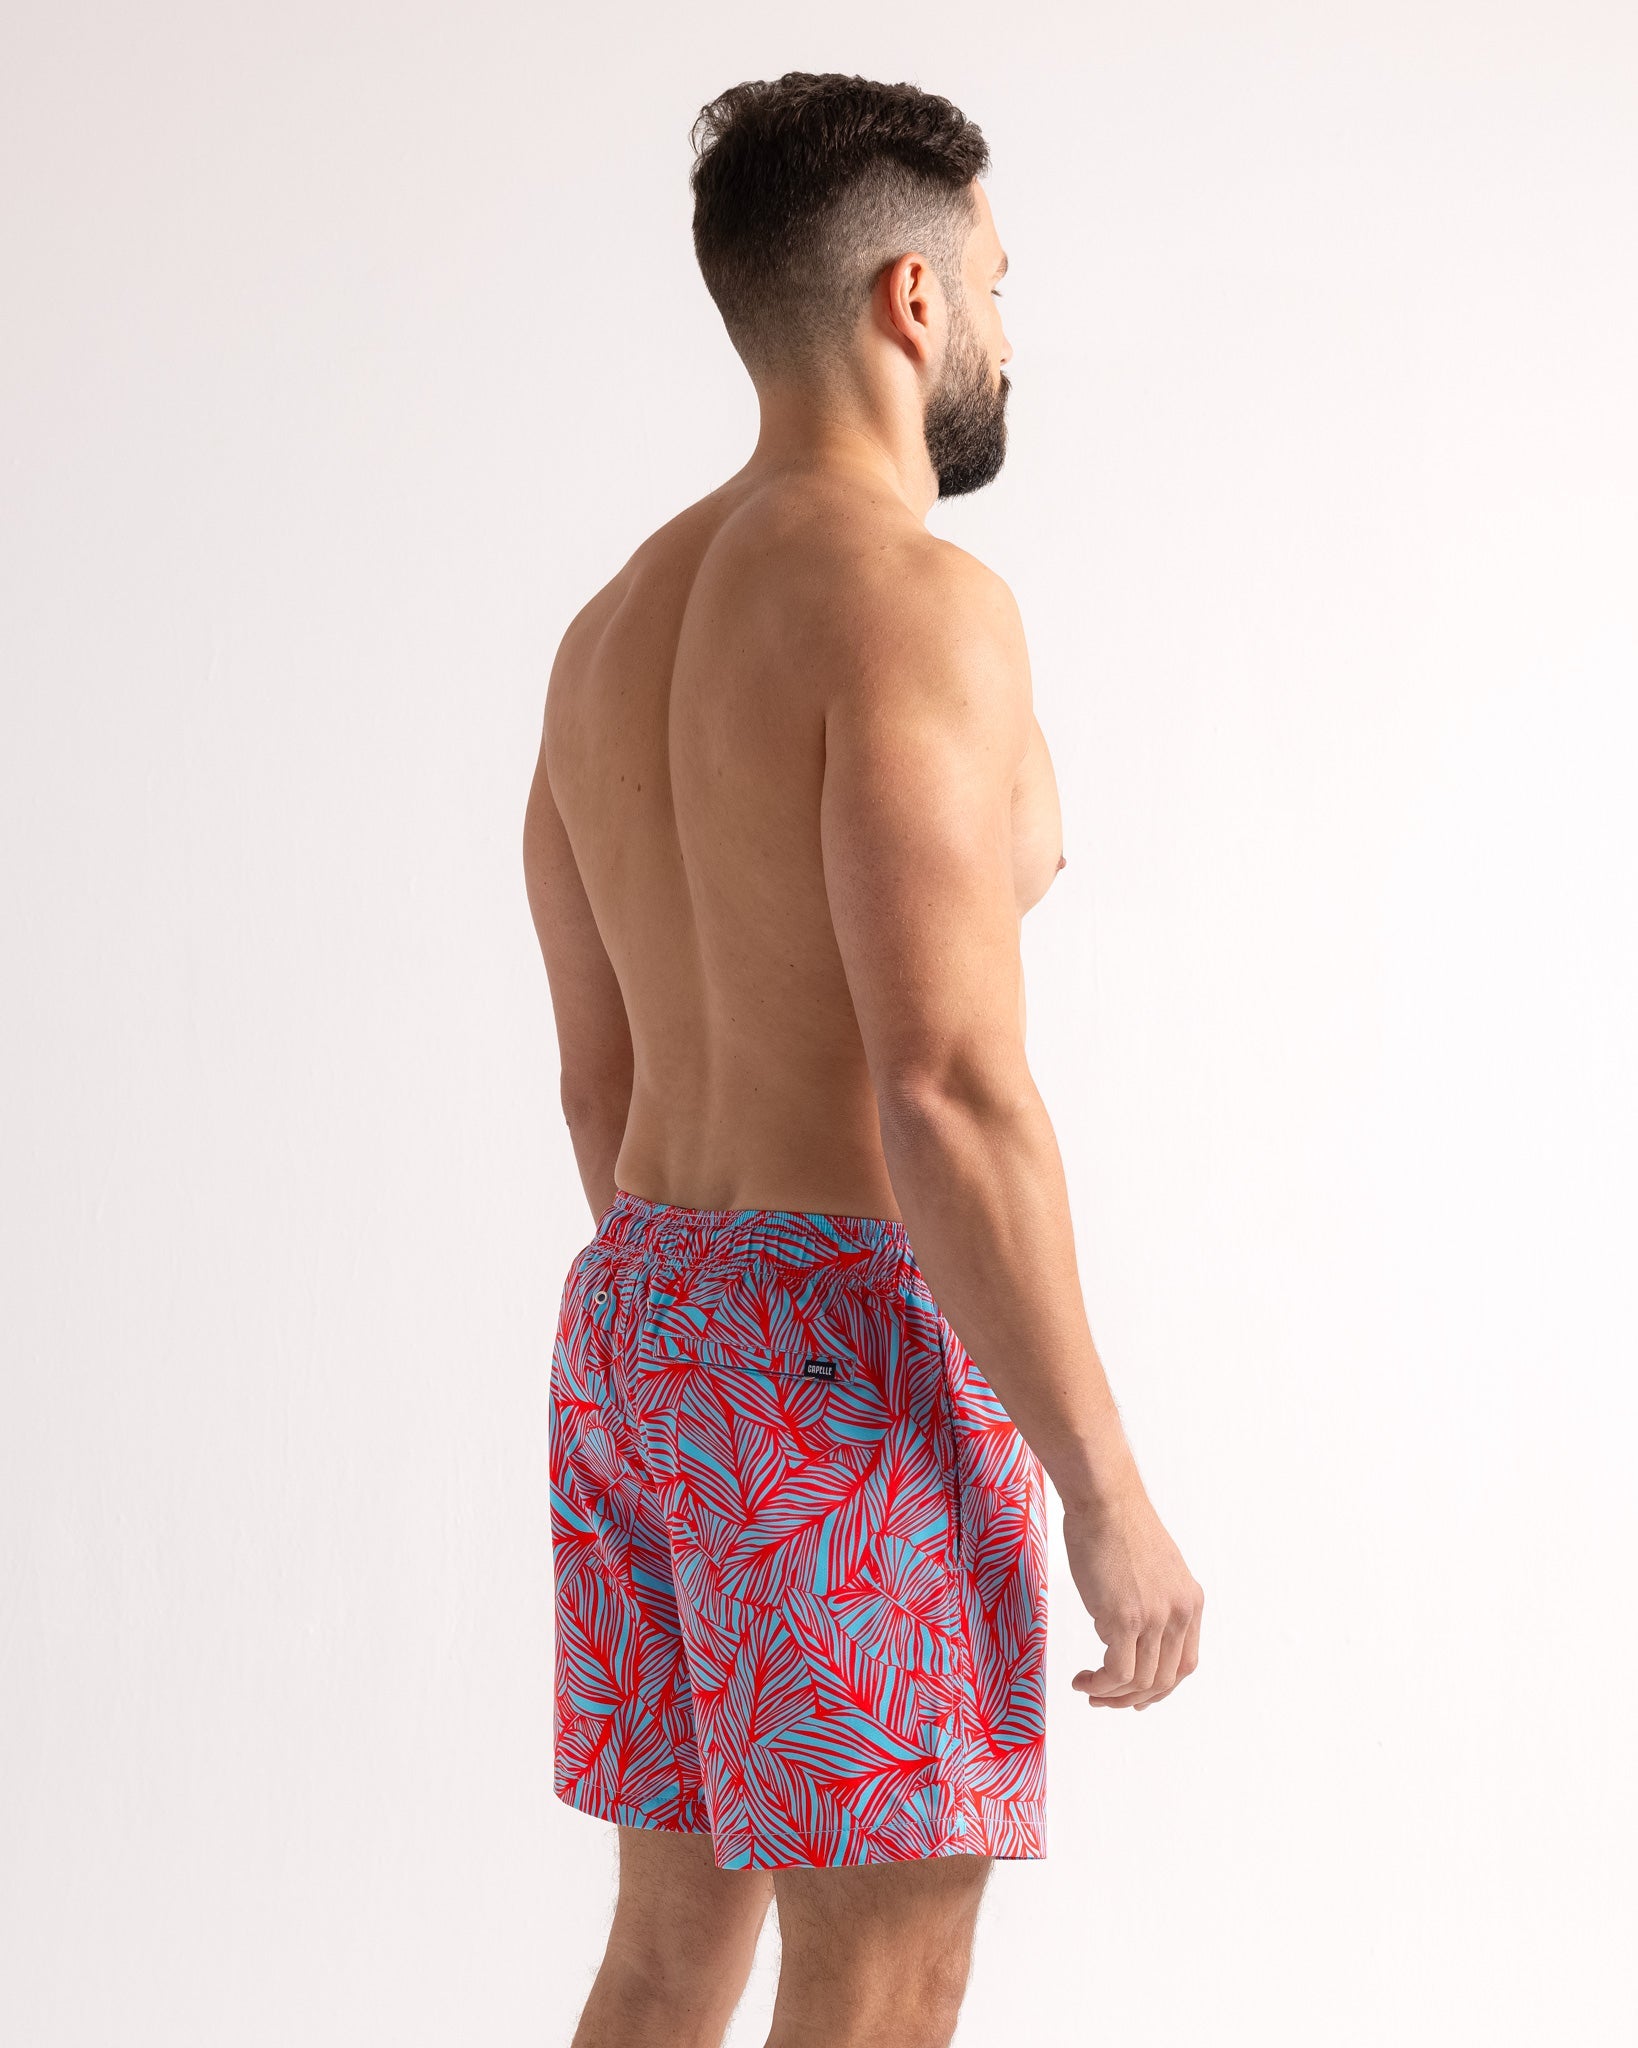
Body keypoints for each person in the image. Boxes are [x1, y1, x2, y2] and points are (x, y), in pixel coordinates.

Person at [524, 70, 1204, 2048]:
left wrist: (711, 1351)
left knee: (671, 1946)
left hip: (644, 1314)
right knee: (884, 1967)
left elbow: (600, 1073)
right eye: (994, 279)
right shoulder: (914, 606)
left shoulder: (608, 629)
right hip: (842, 1340)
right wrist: (1105, 1488)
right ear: (913, 302)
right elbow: (950, 1088)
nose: (1007, 327)